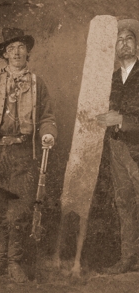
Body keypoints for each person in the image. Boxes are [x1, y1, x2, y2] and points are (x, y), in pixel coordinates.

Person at [0, 27, 57, 282]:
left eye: (20, 47)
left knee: (18, 211)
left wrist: (47, 134)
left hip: (21, 153)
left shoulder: (38, 84)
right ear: (5, 55)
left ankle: (14, 263)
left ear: (27, 52)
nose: (16, 52)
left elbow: (48, 117)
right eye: (11, 48)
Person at [96, 19, 139, 274]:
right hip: (117, 149)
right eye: (119, 40)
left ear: (137, 45)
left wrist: (123, 120)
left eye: (129, 38)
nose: (124, 43)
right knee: (124, 203)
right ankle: (128, 258)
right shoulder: (110, 78)